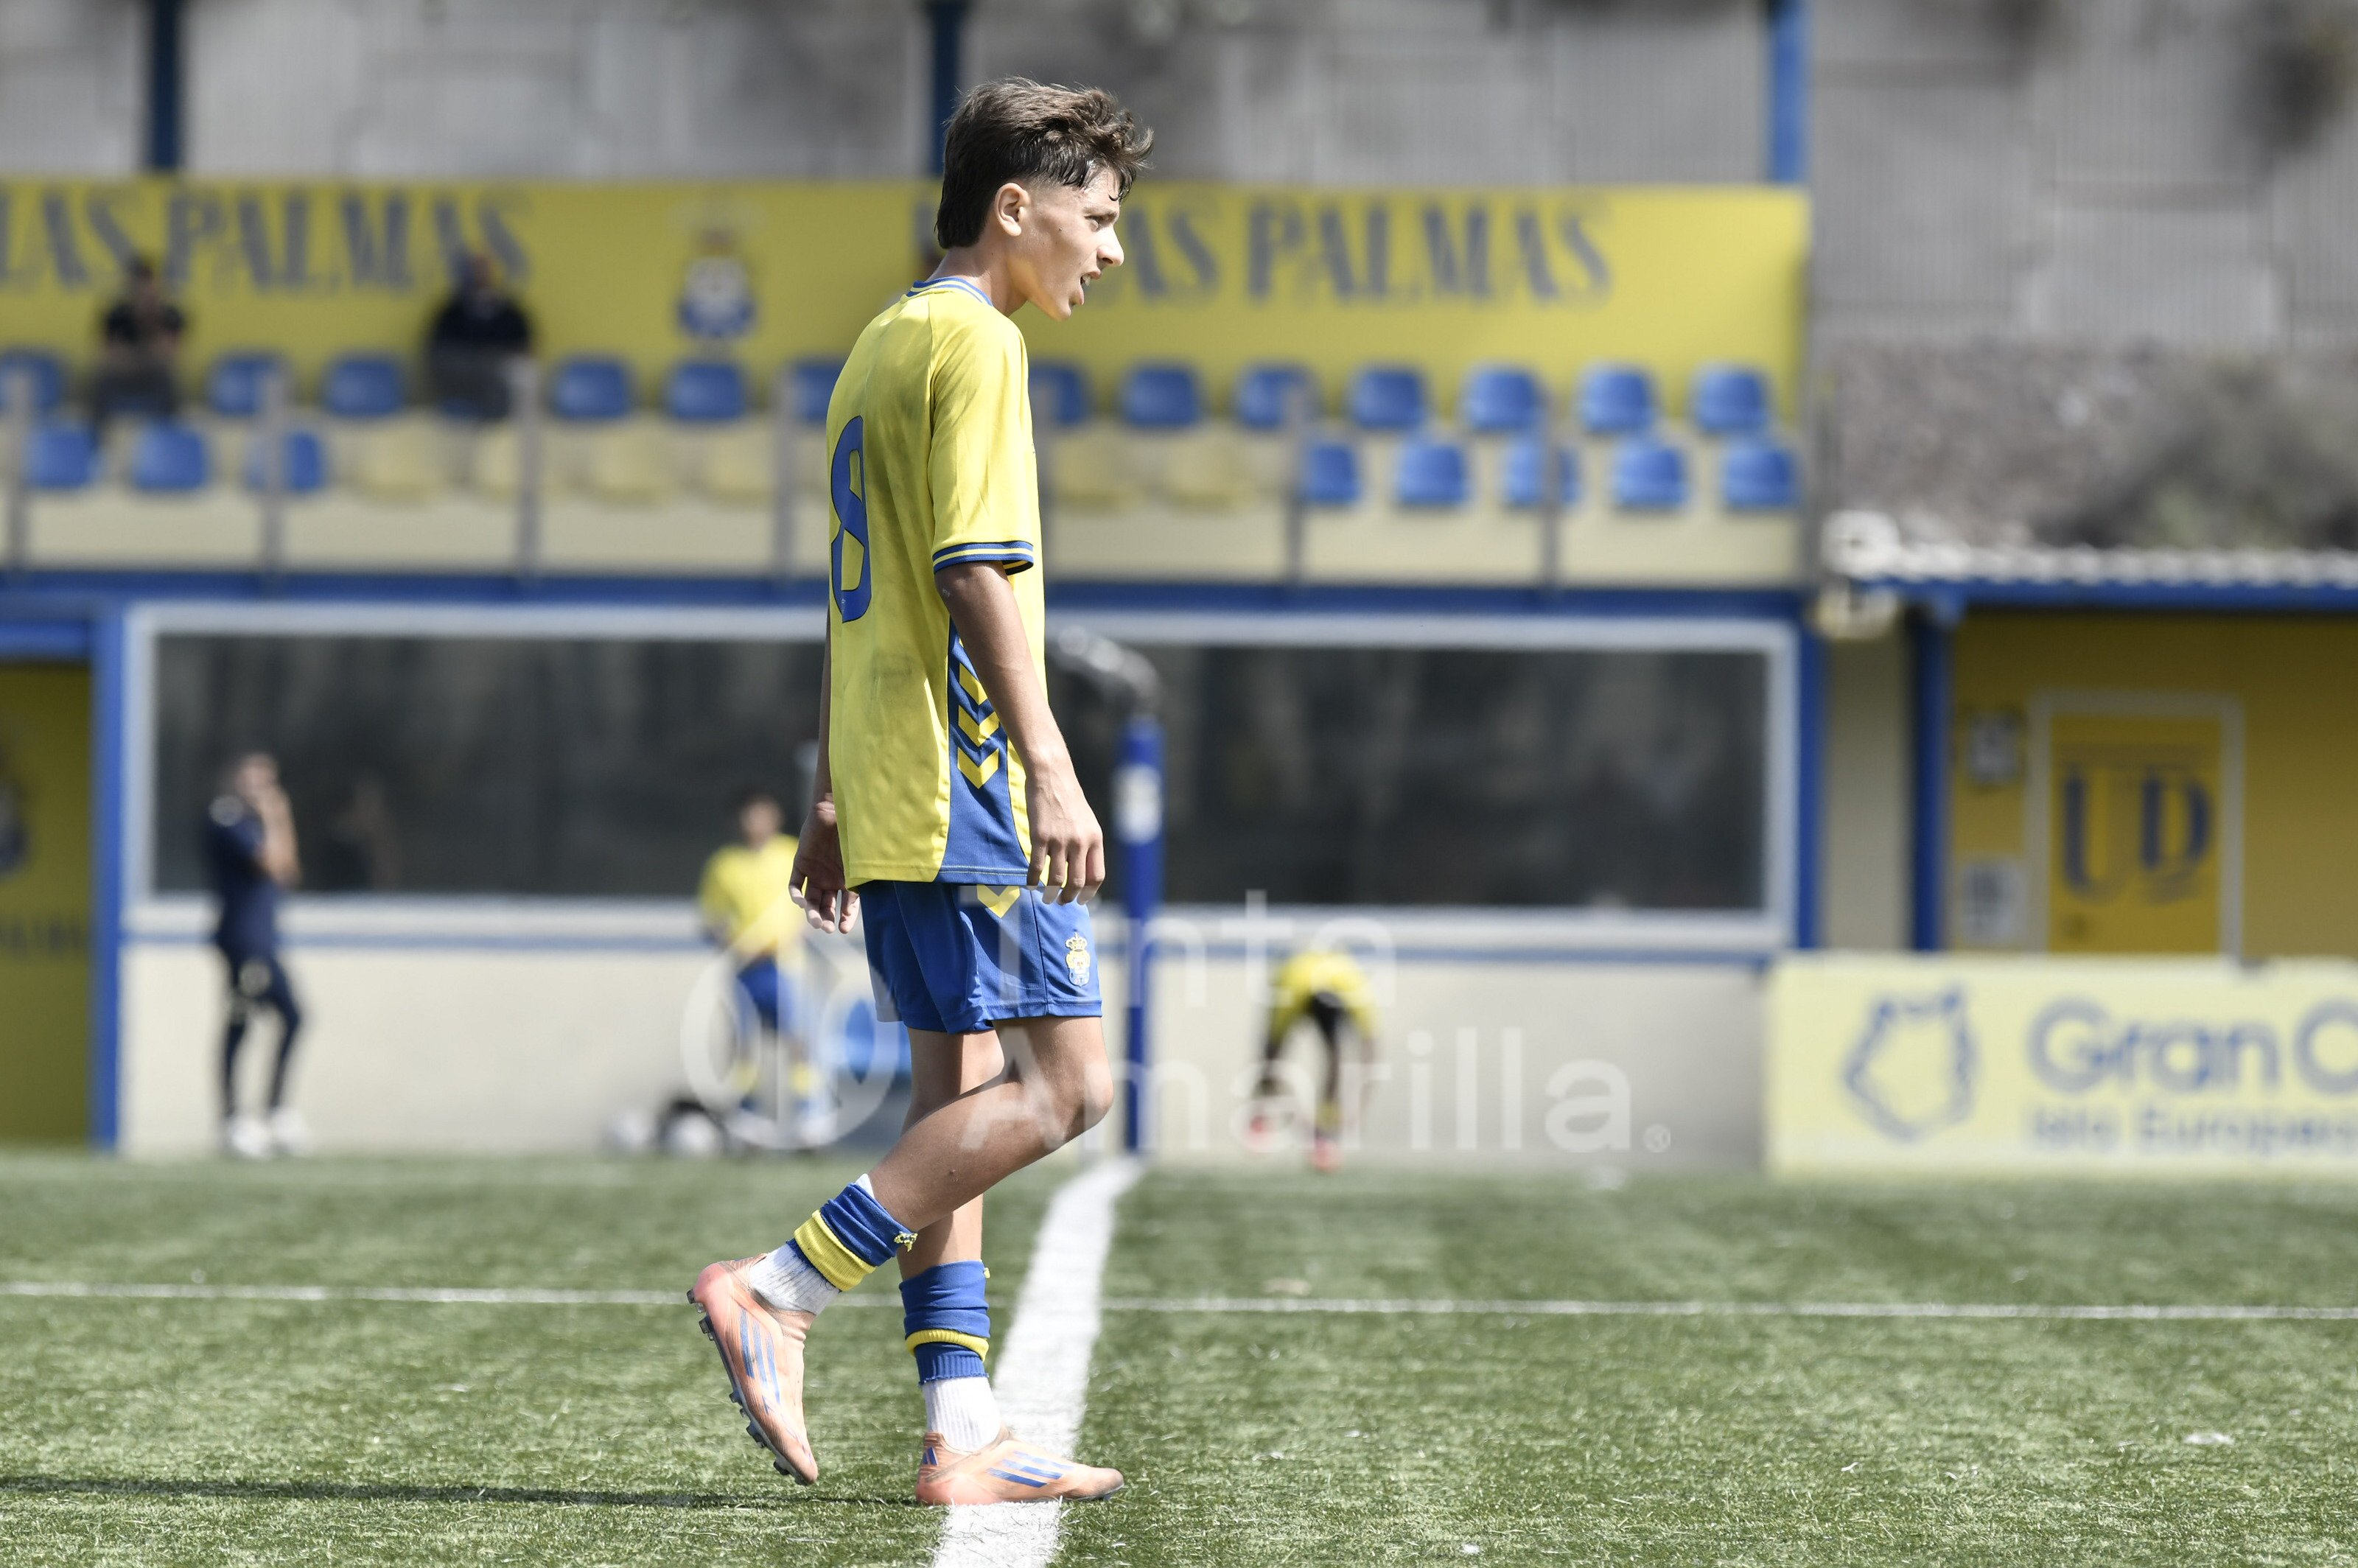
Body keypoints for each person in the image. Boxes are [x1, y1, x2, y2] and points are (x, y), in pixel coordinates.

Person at [685, 78, 1150, 1508]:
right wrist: (1053, 761)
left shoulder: (883, 341)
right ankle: (776, 1285)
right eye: (1098, 217)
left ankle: (963, 1426)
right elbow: (967, 569)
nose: (1110, 252)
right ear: (1014, 207)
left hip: (890, 782)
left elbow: (860, 606)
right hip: (966, 787)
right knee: (1069, 1086)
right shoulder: (980, 347)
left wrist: (830, 799)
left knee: (956, 1098)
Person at [696, 784, 819, 1144]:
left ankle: (808, 1117)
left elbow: (810, 904)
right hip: (746, 970)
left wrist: (799, 932)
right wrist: (732, 941)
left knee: (799, 1040)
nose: (756, 821)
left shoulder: (791, 854)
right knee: (745, 1043)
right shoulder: (724, 865)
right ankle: (748, 1117)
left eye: (762, 813)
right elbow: (711, 918)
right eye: (749, 814)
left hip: (787, 967)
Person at [206, 753, 307, 1160]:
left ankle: (276, 1111)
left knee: (295, 1016)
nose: (257, 787)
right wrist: (276, 817)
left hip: (265, 942)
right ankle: (232, 1120)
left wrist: (280, 818)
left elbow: (289, 871)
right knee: (240, 1022)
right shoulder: (227, 818)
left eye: (266, 780)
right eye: (250, 777)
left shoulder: (261, 822)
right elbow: (270, 861)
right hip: (242, 941)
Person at [1246, 948, 1381, 1174]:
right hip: (1291, 977)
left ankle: (1326, 1133)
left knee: (1335, 1055)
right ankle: (1260, 1116)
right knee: (1273, 1057)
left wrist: (1357, 1111)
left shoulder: (1356, 991)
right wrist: (1297, 1119)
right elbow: (1272, 1053)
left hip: (1324, 979)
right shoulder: (1290, 992)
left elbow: (1372, 1055)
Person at [424, 251, 533, 419]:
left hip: (500, 376)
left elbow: (524, 346)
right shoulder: (453, 310)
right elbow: (439, 352)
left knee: (524, 374)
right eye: (475, 271)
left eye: (484, 270)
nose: (480, 276)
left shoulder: (508, 311)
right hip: (464, 377)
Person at [91, 256, 183, 432]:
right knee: (100, 380)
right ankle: (97, 439)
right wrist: (136, 355)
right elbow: (108, 353)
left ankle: (167, 436)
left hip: (154, 375)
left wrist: (149, 319)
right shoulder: (117, 315)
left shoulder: (169, 315)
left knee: (169, 381)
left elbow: (169, 354)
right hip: (122, 374)